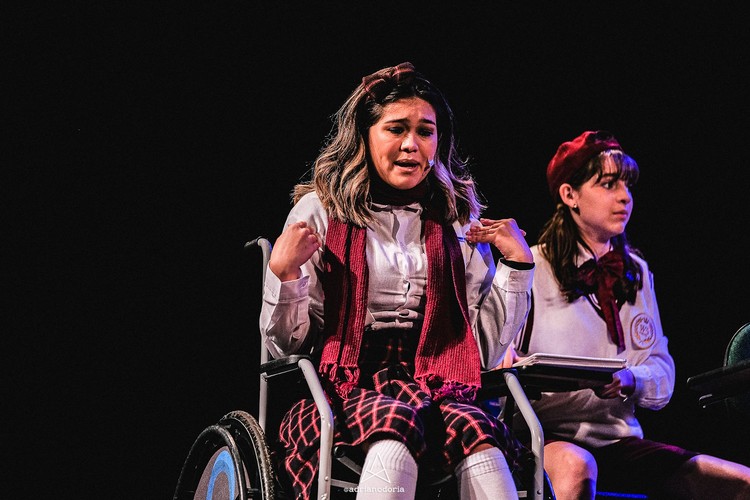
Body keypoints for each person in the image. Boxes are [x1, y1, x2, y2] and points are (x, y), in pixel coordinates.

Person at [258, 62, 535, 500]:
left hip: (440, 380)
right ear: (365, 136)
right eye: (396, 129)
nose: (411, 144)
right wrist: (286, 274)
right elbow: (287, 347)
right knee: (394, 430)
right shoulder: (322, 211)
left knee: (482, 438)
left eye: (425, 131)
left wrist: (517, 267)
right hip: (342, 381)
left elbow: (481, 352)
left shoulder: (456, 220)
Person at [482, 130, 750, 499]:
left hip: (618, 441)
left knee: (741, 483)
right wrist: (510, 357)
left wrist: (631, 379)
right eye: (608, 184)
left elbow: (662, 371)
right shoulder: (533, 266)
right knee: (578, 467)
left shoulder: (635, 272)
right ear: (570, 195)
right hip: (543, 437)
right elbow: (495, 361)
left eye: (627, 185)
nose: (625, 196)